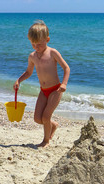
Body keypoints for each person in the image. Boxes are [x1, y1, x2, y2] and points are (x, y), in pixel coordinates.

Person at [14, 20, 70, 148]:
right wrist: (18, 80)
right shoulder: (32, 56)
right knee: (37, 119)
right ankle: (53, 125)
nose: (36, 47)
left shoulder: (52, 53)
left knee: (45, 117)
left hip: (56, 90)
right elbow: (28, 72)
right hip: (43, 91)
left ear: (47, 39)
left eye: (39, 44)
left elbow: (66, 68)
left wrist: (64, 84)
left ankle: (46, 141)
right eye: (33, 44)